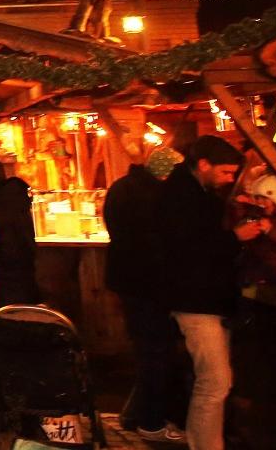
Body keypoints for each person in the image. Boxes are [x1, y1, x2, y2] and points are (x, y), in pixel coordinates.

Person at [157, 135, 261, 450]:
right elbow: (190, 249)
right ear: (204, 165)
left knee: (214, 381)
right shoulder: (180, 198)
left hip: (204, 299)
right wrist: (236, 237)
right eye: (225, 172)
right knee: (215, 382)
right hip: (195, 301)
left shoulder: (195, 193)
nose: (229, 179)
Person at [103, 147, 188, 440]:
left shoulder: (120, 187)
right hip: (151, 286)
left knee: (146, 352)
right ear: (166, 173)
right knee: (157, 353)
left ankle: (136, 415)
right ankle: (151, 423)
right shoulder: (156, 197)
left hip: (126, 282)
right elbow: (161, 245)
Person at [233, 158, 276, 449]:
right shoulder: (265, 219)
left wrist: (269, 232)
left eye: (262, 198)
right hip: (266, 302)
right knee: (270, 368)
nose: (259, 203)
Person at [0, 157, 39, 306]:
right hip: (25, 270)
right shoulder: (13, 196)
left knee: (12, 316)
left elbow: (0, 234)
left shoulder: (0, 204)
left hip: (8, 274)